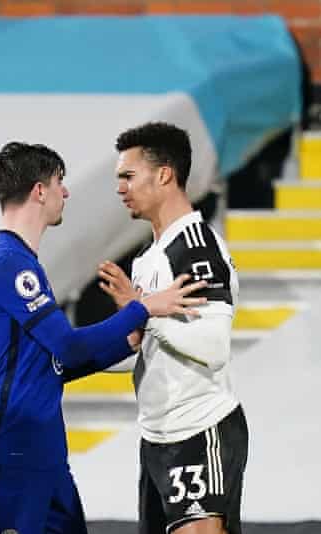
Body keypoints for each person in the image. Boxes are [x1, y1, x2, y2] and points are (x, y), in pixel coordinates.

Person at [0, 142, 208, 534]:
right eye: (59, 182)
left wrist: (126, 341)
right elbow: (69, 347)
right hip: (12, 447)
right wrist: (143, 308)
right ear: (39, 191)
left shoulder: (17, 261)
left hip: (41, 447)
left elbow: (50, 365)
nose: (66, 191)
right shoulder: (9, 264)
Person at [98, 122, 247, 534]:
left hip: (199, 430)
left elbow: (214, 347)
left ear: (164, 174)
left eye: (128, 176)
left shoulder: (195, 249)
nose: (120, 188)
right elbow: (145, 348)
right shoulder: (148, 257)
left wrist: (144, 310)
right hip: (157, 438)